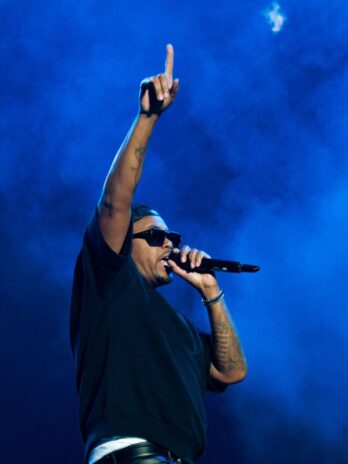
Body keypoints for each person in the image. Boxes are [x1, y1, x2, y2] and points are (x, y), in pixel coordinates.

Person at [70, 44, 248, 464]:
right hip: (134, 454)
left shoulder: (183, 331)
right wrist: (148, 117)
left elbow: (232, 371)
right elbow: (115, 205)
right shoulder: (110, 284)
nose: (168, 244)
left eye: (171, 237)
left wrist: (211, 292)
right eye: (153, 237)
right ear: (122, 245)